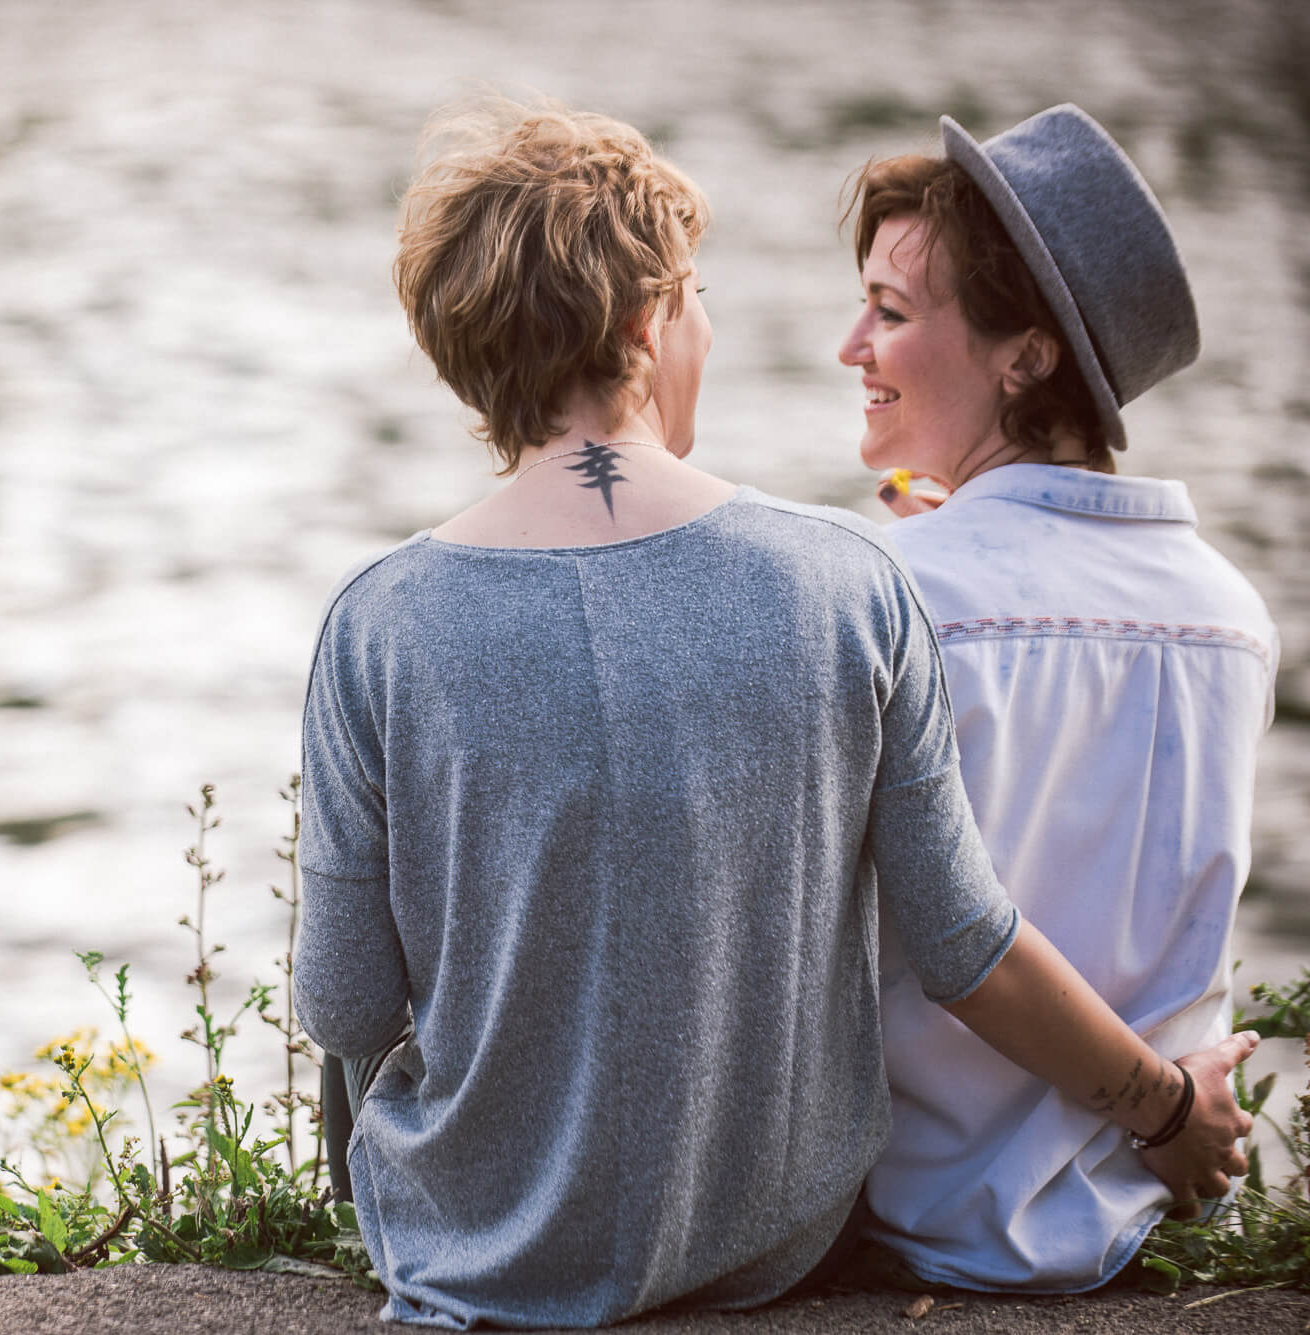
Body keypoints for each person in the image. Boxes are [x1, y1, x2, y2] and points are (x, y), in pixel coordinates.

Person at [292, 95, 1255, 1328]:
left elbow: (345, 1007)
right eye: (695, 300)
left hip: (477, 1251)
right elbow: (962, 939)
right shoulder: (848, 580)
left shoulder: (375, 621)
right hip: (768, 1241)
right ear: (646, 323)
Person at [836, 105, 1279, 1292]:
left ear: (1022, 357)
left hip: (913, 1224)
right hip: (1163, 1212)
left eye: (888, 313)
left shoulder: (881, 594)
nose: (849, 348)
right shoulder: (1231, 615)